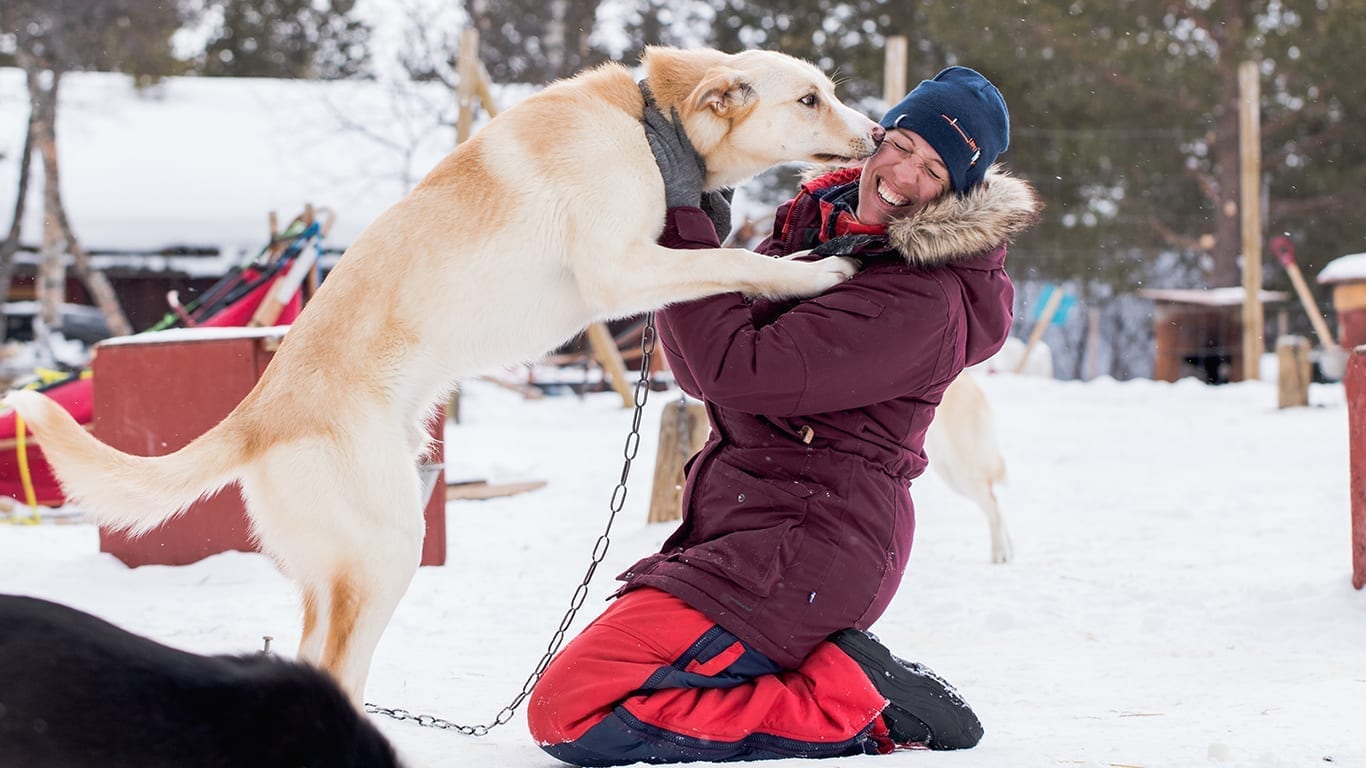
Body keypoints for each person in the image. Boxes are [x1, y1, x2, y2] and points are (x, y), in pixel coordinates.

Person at [526, 65, 1042, 765]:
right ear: (881, 134)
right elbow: (700, 364)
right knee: (589, 695)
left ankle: (850, 702)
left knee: (572, 710)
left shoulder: (923, 300)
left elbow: (733, 369)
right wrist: (702, 225)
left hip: (810, 548)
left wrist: (686, 226)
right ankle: (815, 680)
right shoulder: (820, 230)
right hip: (747, 530)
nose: (902, 173)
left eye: (933, 169)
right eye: (903, 143)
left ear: (958, 194)